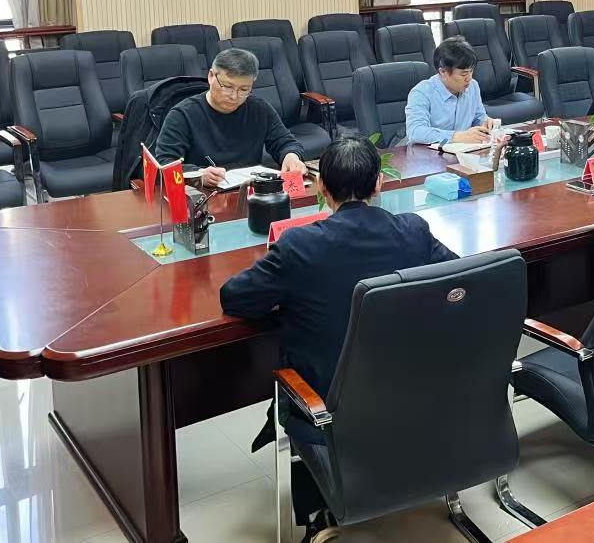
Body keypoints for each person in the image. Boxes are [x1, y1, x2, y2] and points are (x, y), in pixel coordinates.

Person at [220, 135, 458, 541]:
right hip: (414, 395)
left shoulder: (300, 245)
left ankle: (319, 514)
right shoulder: (413, 232)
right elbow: (456, 279)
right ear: (378, 184)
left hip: (329, 411)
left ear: (321, 189)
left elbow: (235, 297)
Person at [154, 47, 306, 188]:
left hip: (248, 192)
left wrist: (291, 157)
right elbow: (165, 163)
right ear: (211, 76)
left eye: (244, 89)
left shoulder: (259, 108)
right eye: (227, 87)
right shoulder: (182, 114)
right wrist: (198, 175)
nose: (234, 96)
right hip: (203, 195)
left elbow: (285, 142)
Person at [405, 36, 498, 146]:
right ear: (443, 72)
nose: (469, 78)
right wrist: (456, 137)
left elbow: (479, 117)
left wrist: (486, 122)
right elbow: (415, 132)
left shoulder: (473, 86)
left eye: (471, 71)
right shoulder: (421, 92)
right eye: (463, 74)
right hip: (425, 152)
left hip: (461, 150)